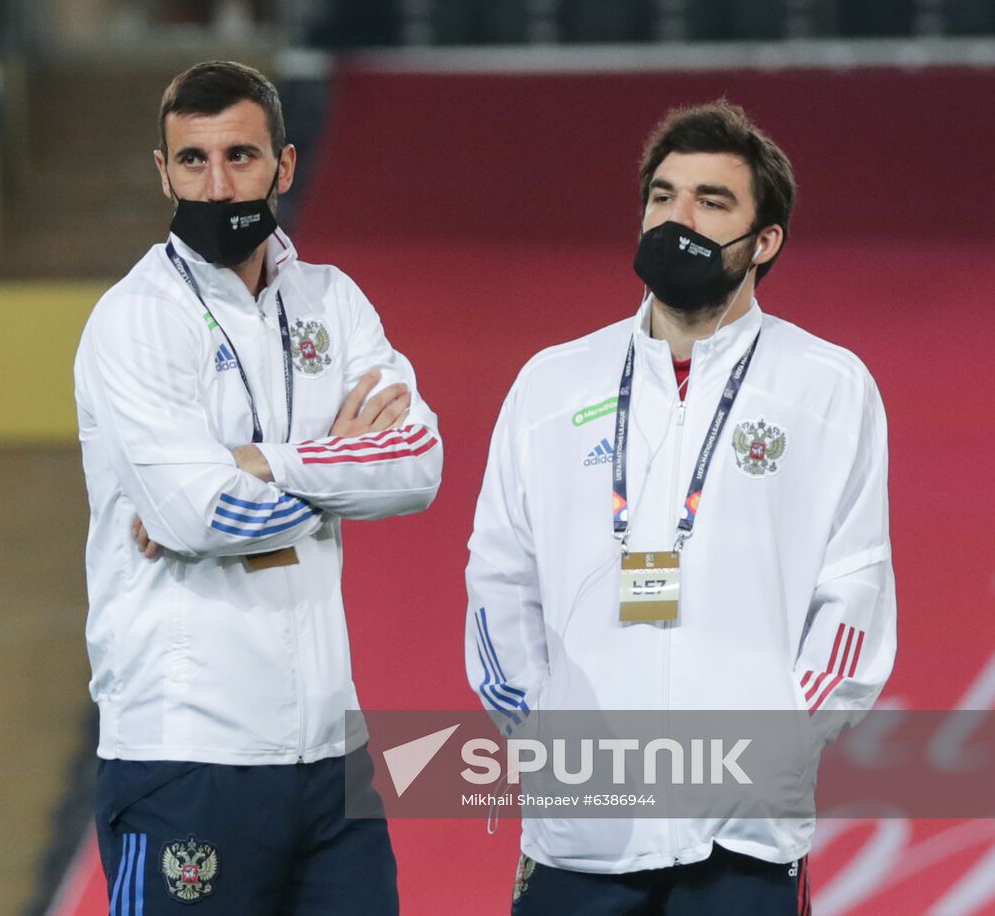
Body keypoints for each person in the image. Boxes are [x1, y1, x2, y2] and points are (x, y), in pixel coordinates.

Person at [465, 100, 895, 915]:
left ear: (763, 242)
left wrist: (773, 754)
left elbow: (855, 597)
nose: (678, 218)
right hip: (579, 837)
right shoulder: (553, 384)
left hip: (742, 841)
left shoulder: (828, 387)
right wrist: (545, 739)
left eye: (711, 201)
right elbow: (498, 579)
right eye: (662, 197)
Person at [75, 60, 442, 915]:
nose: (216, 183)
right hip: (185, 753)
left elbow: (418, 461)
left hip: (331, 756)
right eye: (193, 161)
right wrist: (337, 458)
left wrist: (261, 460)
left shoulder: (332, 300)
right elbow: (197, 511)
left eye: (239, 156)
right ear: (162, 173)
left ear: (284, 165)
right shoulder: (135, 319)